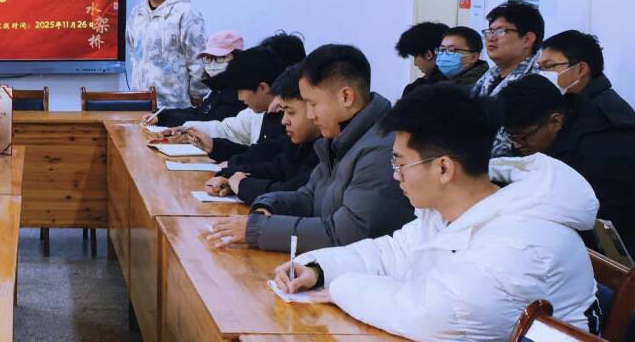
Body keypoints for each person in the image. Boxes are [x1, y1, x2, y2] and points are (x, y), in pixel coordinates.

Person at [273, 84, 600, 342]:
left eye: (400, 164)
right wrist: (318, 269)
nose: (396, 176)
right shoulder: (456, 208)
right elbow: (395, 253)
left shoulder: (523, 243)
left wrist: (339, 288)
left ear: (443, 168)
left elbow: (432, 315)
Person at [203, 44, 413, 253]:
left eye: (313, 104)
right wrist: (267, 206)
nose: (311, 115)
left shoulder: (380, 150)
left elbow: (347, 233)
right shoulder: (340, 138)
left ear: (346, 97)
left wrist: (258, 230)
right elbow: (309, 196)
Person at [502, 72, 635, 248]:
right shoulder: (546, 132)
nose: (517, 145)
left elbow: (603, 228)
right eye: (512, 137)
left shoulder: (601, 153)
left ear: (555, 122)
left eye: (523, 137)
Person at [205, 64, 319, 205]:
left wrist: (243, 185)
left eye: (290, 112)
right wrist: (230, 178)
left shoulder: (327, 152)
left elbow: (296, 193)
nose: (284, 121)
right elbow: (278, 168)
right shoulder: (304, 144)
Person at [162, 46, 287, 159]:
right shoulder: (254, 112)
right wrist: (189, 129)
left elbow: (265, 159)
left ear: (263, 88)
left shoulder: (284, 120)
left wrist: (220, 152)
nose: (240, 98)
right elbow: (228, 130)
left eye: (240, 90)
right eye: (208, 58)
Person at [126, 0, 208, 109]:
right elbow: (133, 52)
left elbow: (198, 59)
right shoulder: (136, 14)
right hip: (139, 102)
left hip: (175, 105)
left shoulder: (186, 13)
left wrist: (197, 94)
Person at [474, 1, 545, 156]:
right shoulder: (489, 76)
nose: (491, 38)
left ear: (527, 39)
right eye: (489, 31)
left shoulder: (538, 80)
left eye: (501, 31)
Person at [148, 30, 244, 127]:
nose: (212, 64)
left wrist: (163, 118)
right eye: (208, 58)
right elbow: (199, 112)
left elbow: (207, 122)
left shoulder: (239, 93)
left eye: (220, 57)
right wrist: (160, 115)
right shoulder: (219, 88)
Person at [395, 21, 449, 98]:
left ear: (428, 54)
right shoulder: (461, 83)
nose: (415, 64)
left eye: (415, 56)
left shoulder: (415, 91)